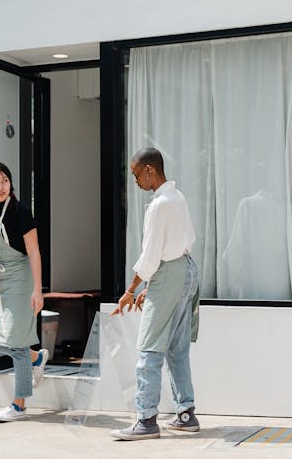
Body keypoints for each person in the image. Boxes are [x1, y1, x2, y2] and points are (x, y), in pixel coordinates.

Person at [110, 147, 201, 441]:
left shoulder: (159, 204)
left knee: (148, 349)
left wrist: (130, 290)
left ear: (150, 170)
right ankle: (185, 414)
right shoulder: (178, 197)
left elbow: (151, 258)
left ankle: (146, 419)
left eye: (137, 174)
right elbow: (175, 247)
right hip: (186, 271)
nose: (135, 181)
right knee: (177, 349)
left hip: (171, 274)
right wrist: (153, 285)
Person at [0, 161, 49, 422]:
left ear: (11, 182)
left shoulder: (20, 212)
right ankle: (37, 357)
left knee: (16, 343)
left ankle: (19, 405)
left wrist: (37, 290)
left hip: (19, 282)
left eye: (4, 180)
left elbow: (34, 252)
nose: (0, 186)